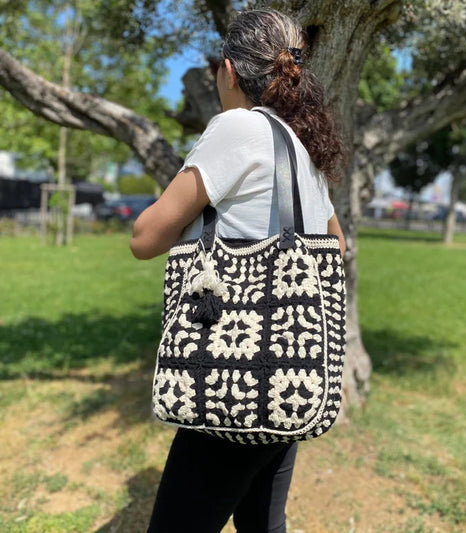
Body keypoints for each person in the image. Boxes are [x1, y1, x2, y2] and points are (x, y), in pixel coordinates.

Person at [130, 8, 346, 533]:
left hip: (229, 382)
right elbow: (335, 247)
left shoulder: (237, 128)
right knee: (264, 525)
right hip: (288, 378)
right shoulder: (303, 148)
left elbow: (144, 238)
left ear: (228, 70)